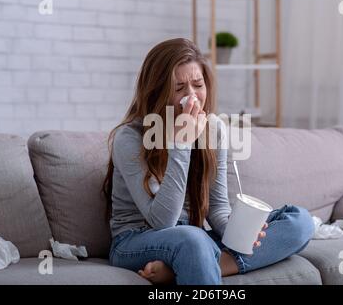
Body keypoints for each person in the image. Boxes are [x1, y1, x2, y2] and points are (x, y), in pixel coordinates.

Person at [101, 38, 314, 285]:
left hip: (194, 240)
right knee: (193, 239)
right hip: (136, 240)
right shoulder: (130, 137)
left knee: (299, 221)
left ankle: (204, 265)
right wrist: (181, 144)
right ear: (157, 91)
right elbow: (162, 221)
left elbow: (218, 208)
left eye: (198, 85)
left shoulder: (214, 129)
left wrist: (241, 233)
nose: (191, 97)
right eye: (179, 88)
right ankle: (194, 259)